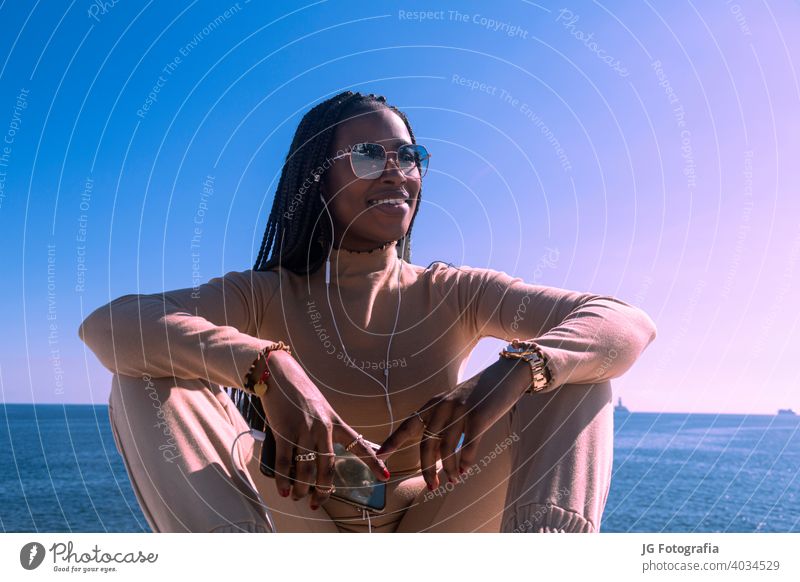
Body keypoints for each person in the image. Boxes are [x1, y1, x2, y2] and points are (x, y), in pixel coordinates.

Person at [78, 90, 657, 533]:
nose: (395, 170)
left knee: (571, 375)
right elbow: (108, 326)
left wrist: (514, 370)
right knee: (147, 377)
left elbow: (625, 322)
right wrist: (265, 366)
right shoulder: (261, 294)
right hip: (298, 515)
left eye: (409, 155)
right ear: (315, 178)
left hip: (433, 517)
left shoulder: (456, 290)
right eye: (366, 154)